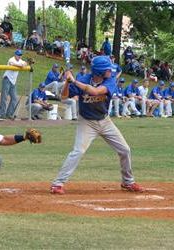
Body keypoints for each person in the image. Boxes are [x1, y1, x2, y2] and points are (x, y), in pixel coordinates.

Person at [50, 56, 144, 194]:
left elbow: (94, 91)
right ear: (99, 71)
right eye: (107, 69)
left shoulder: (110, 80)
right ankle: (57, 184)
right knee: (78, 151)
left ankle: (127, 182)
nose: (110, 71)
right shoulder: (82, 80)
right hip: (87, 122)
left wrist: (74, 81)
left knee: (125, 150)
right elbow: (64, 98)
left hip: (105, 121)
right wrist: (67, 82)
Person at [0, 49, 27, 119]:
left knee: (14, 98)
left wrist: (21, 64)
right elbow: (13, 64)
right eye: (18, 55)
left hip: (13, 81)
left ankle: (9, 114)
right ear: (15, 55)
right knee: (4, 97)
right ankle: (2, 114)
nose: (19, 56)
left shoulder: (20, 60)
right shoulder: (11, 59)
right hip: (7, 79)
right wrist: (21, 65)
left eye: (20, 55)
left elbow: (25, 64)